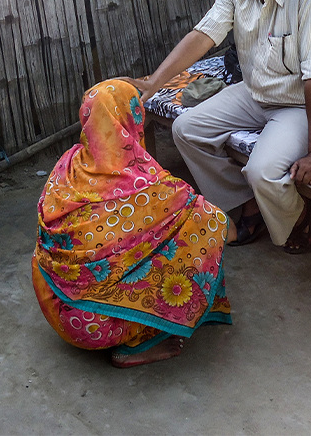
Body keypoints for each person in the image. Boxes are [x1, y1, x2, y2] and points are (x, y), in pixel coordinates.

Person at [124, 0, 311, 252]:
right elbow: (202, 36)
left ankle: (296, 220)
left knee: (262, 170)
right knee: (186, 129)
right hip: (258, 91)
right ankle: (249, 203)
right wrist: (152, 82)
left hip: (303, 101)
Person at [32, 80, 232, 368]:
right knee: (198, 229)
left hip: (54, 305)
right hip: (97, 327)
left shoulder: (68, 164)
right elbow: (221, 227)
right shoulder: (150, 185)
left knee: (139, 240)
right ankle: (134, 346)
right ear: (131, 119)